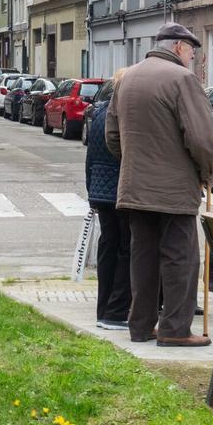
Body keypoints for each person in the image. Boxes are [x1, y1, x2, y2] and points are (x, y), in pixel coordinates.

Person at [106, 22, 213, 347]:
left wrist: (135, 162)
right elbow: (201, 138)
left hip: (134, 187)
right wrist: (207, 171)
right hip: (174, 191)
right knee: (181, 259)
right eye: (192, 51)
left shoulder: (127, 78)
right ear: (179, 47)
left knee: (142, 258)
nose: (193, 57)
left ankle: (140, 326)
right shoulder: (182, 79)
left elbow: (112, 136)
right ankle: (175, 329)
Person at [85, 68, 131, 331]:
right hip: (119, 191)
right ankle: (116, 311)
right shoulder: (121, 114)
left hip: (101, 192)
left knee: (108, 248)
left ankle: (103, 308)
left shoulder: (100, 111)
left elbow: (90, 156)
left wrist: (91, 189)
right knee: (126, 249)